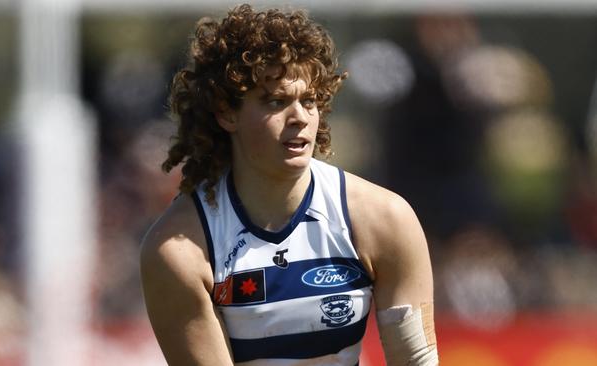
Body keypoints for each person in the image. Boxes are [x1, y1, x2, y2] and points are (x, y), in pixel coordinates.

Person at [140, 4, 438, 365]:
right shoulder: (179, 250)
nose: (299, 117)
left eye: (309, 100)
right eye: (276, 101)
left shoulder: (385, 218)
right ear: (226, 112)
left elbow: (416, 360)